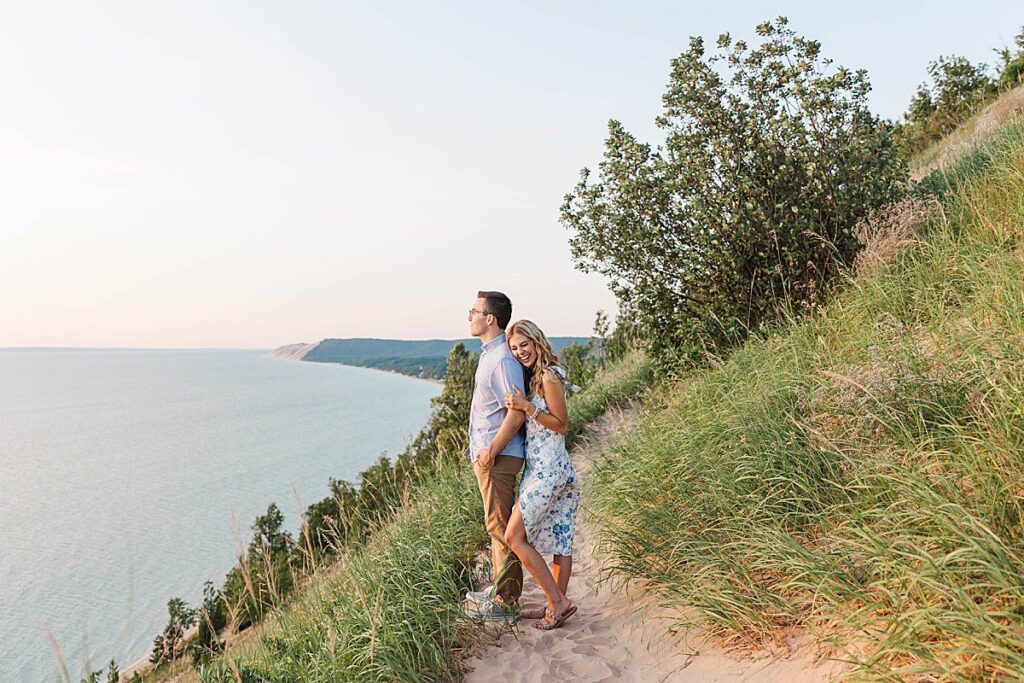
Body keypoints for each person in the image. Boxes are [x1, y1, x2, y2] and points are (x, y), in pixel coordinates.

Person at [501, 319, 579, 630]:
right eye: (515, 348)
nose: (520, 352)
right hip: (550, 468)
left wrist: (525, 406)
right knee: (561, 539)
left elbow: (562, 425)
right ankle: (554, 606)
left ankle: (558, 600)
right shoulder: (539, 375)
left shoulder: (548, 375)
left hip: (549, 470)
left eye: (525, 345)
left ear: (536, 341)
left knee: (513, 536)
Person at [463, 291, 528, 623]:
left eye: (474, 311)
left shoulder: (502, 358)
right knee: (495, 527)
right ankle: (501, 593)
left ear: (490, 318)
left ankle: (506, 603)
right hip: (490, 456)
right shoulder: (490, 353)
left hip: (498, 458)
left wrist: (489, 451)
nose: (469, 316)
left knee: (502, 528)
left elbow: (515, 414)